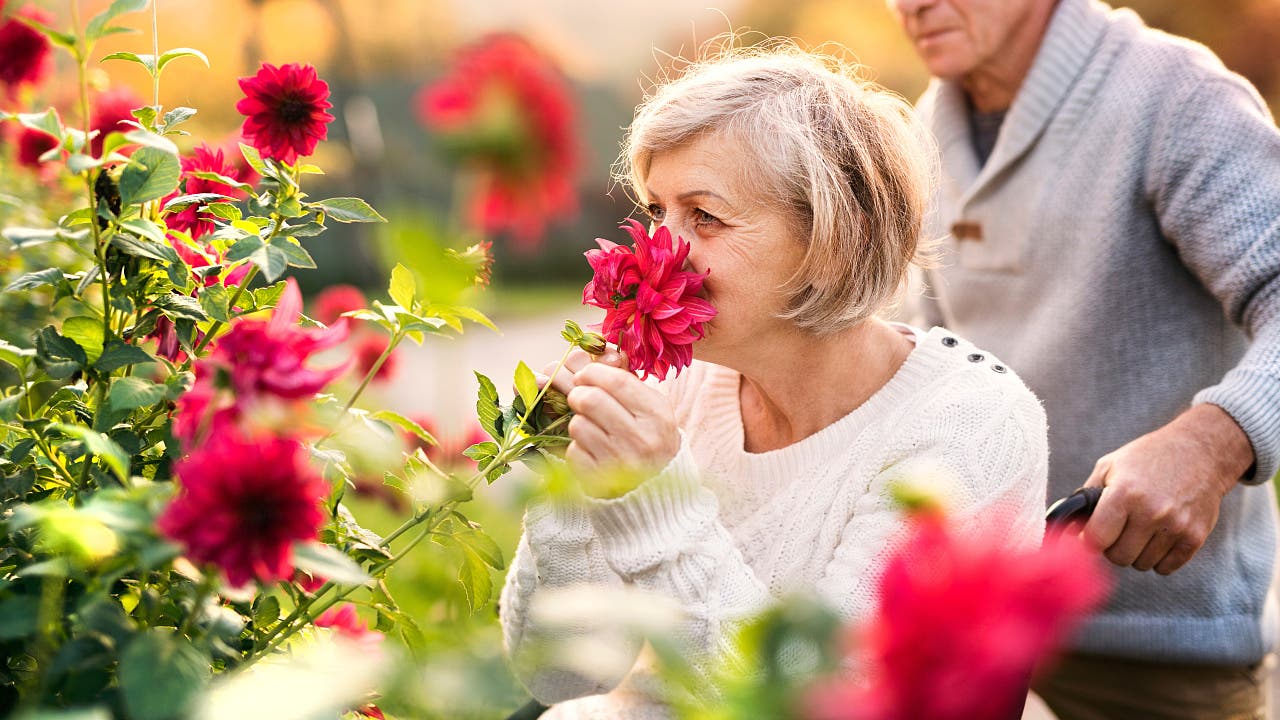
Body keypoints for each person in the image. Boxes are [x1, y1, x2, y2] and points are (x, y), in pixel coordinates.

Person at [498, 44, 1050, 719]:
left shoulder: (968, 427)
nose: (657, 250)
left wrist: (658, 503)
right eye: (656, 211)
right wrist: (570, 487)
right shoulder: (676, 385)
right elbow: (559, 678)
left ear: (834, 241)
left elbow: (821, 705)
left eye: (705, 215)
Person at [887, 0, 1280, 717]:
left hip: (1157, 658)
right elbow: (930, 369)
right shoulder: (921, 130)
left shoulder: (1175, 96)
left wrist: (1213, 442)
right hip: (979, 645)